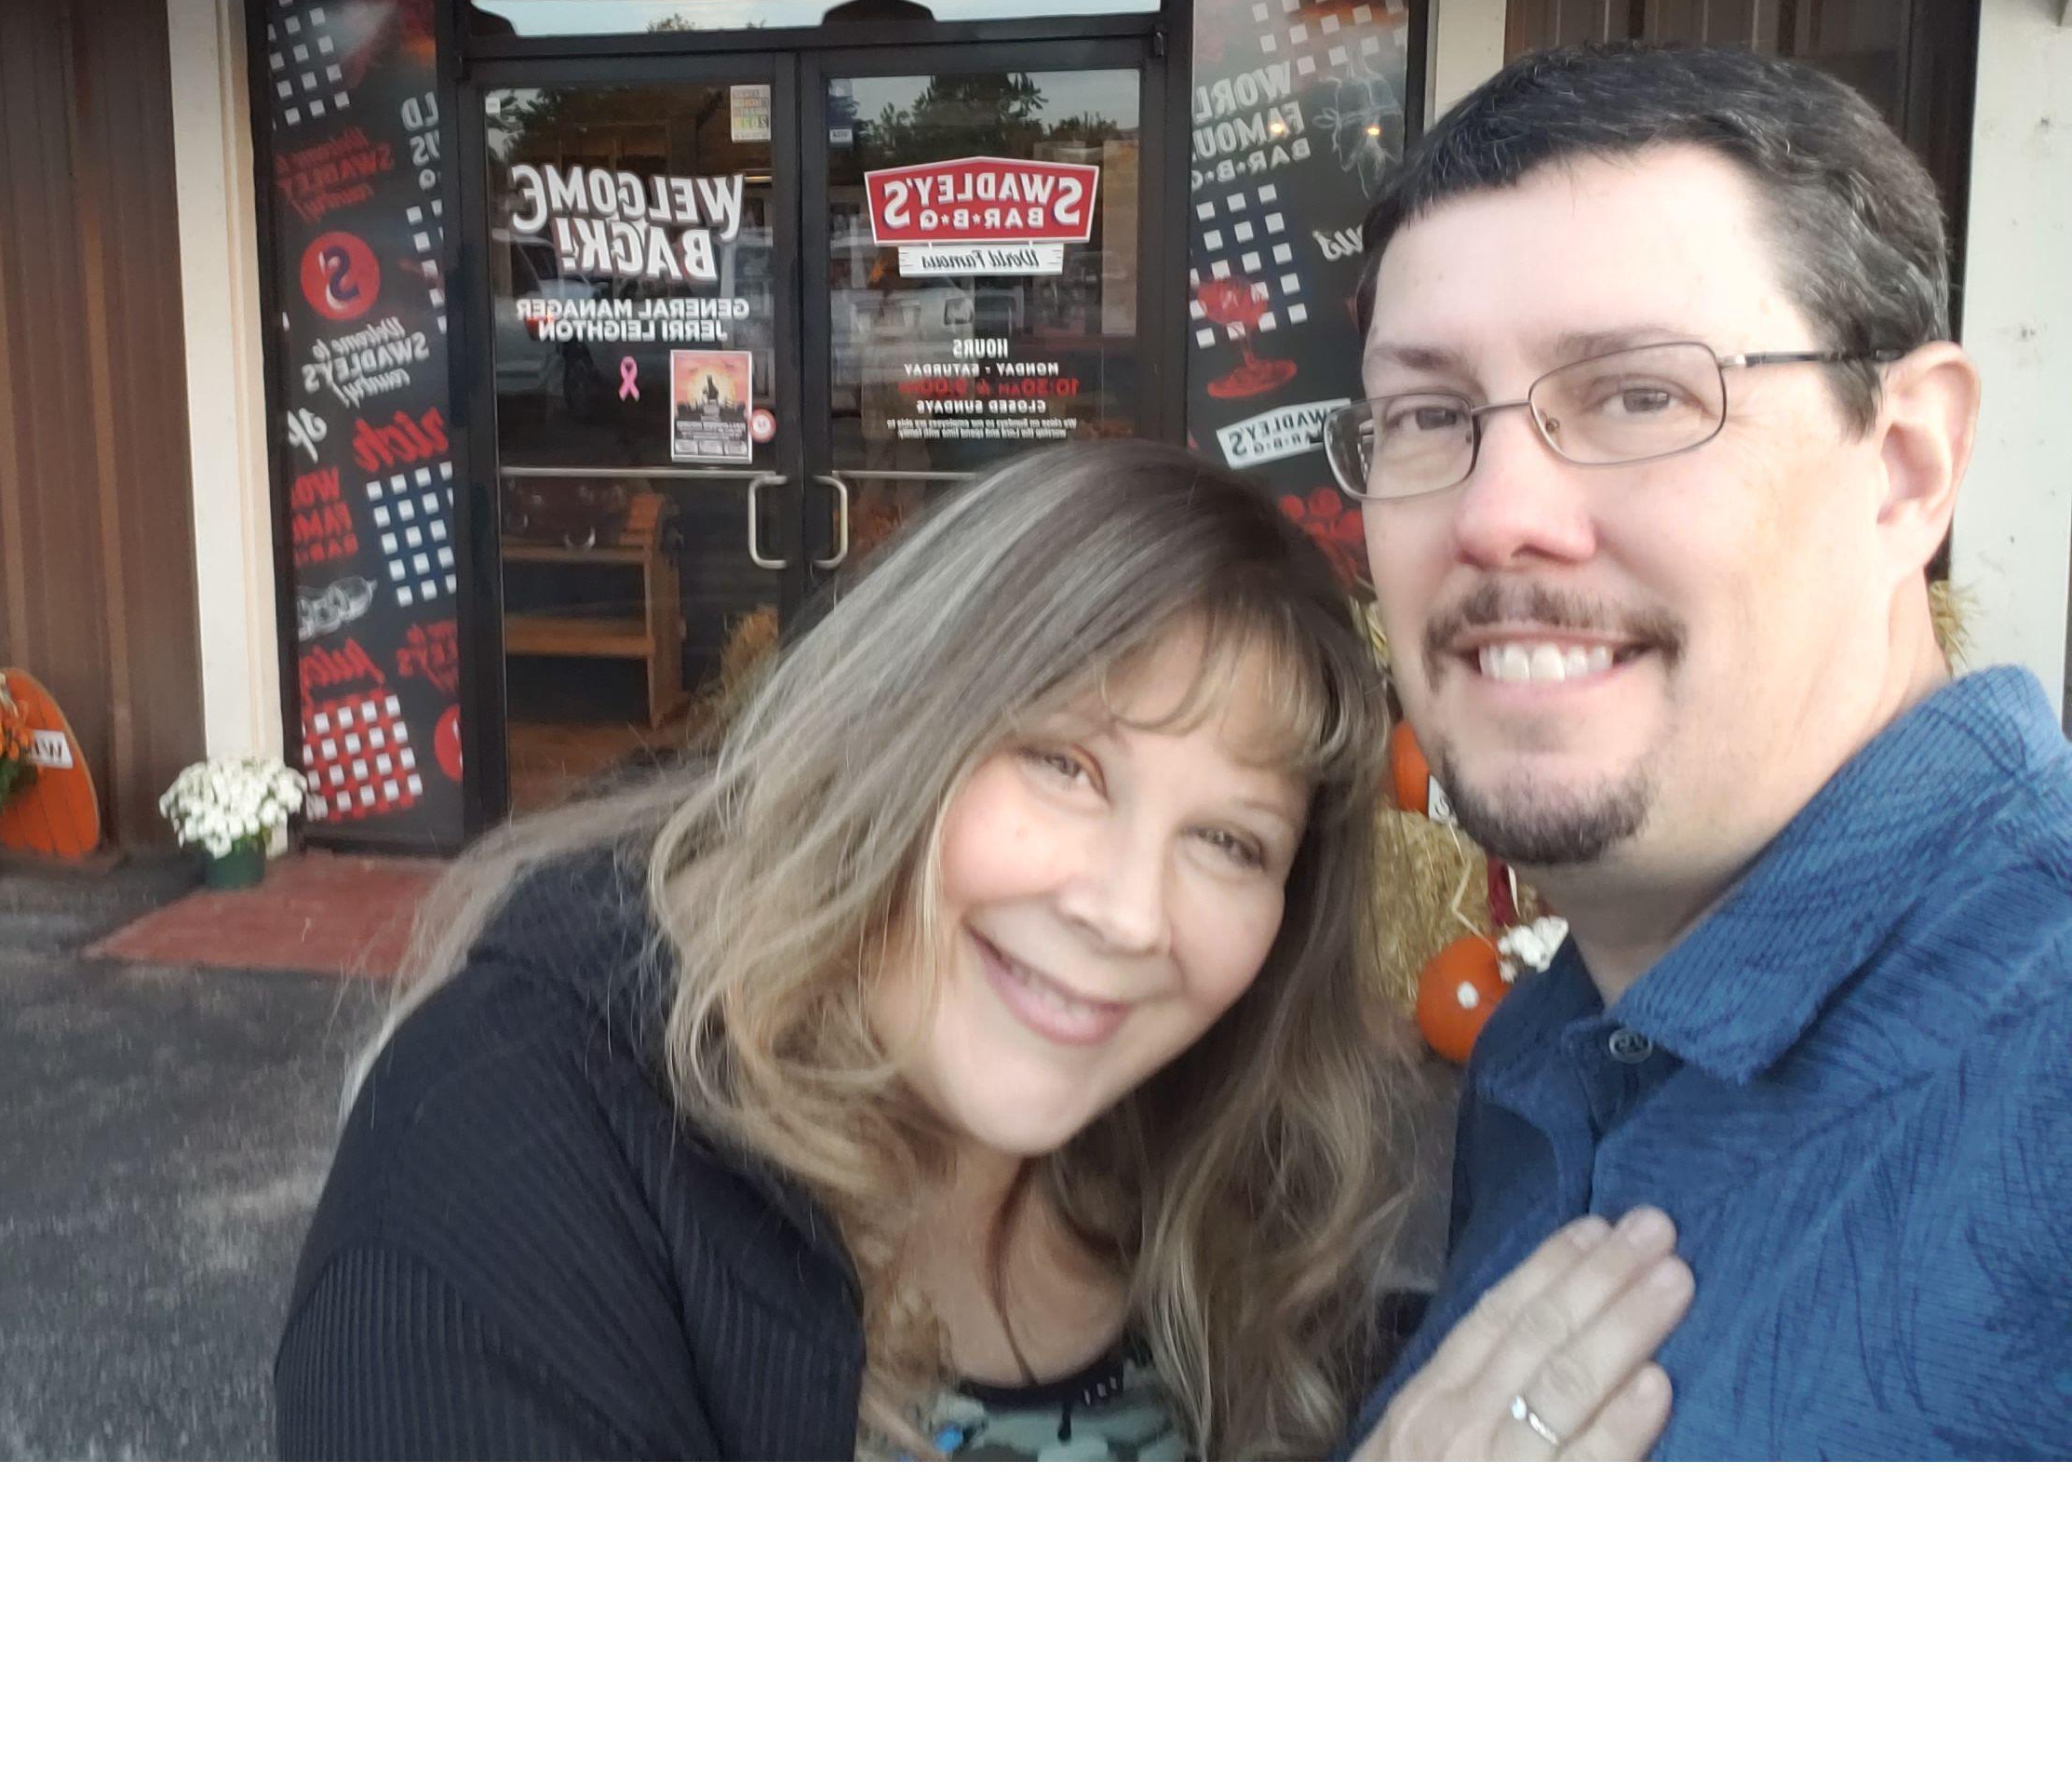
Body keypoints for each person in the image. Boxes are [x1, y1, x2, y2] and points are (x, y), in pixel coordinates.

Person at [276, 439, 1691, 1460]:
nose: (1128, 914)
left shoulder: (1201, 1186)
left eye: (1231, 844)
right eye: (1065, 767)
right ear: (889, 742)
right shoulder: (509, 1157)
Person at [1336, 41, 2072, 1460]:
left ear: (1910, 463)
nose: (1499, 517)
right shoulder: (1566, 1044)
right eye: (1430, 416)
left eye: (1637, 395)